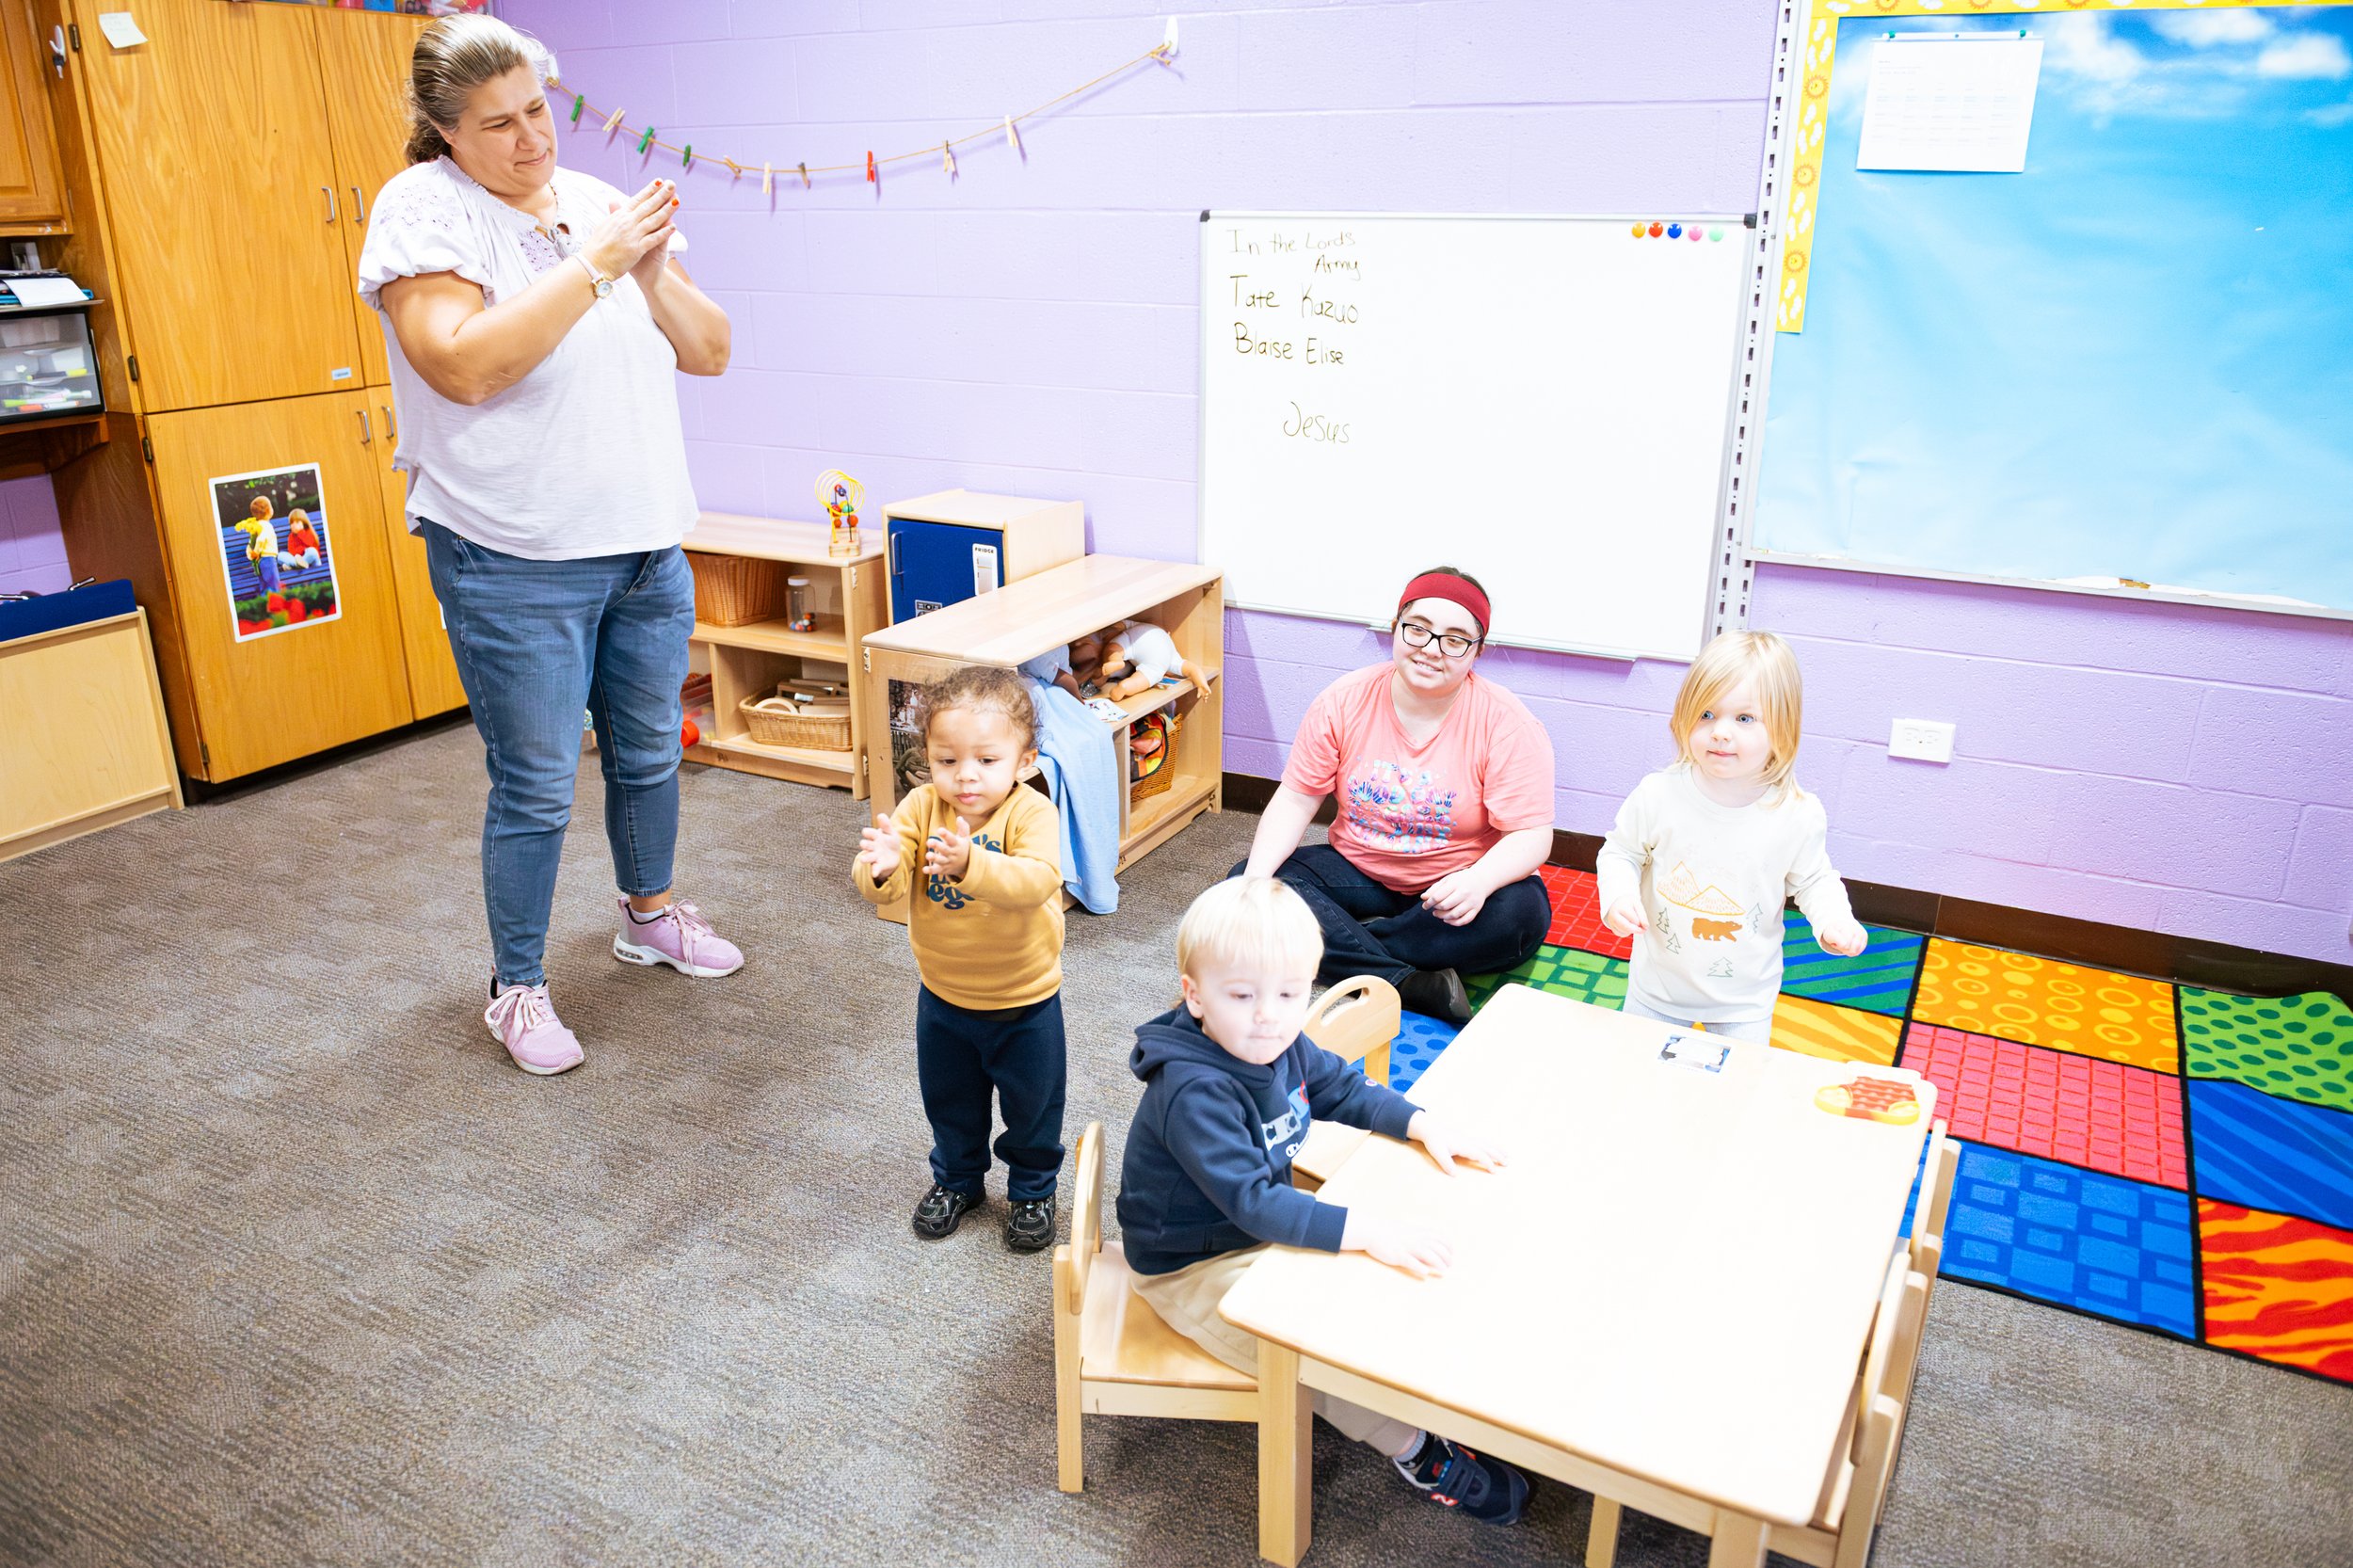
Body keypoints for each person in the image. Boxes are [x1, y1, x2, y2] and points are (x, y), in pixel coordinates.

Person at [357, 16, 740, 1077]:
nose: (532, 140)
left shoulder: (596, 202)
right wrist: (598, 264)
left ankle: (649, 915)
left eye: (539, 110)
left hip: (642, 541)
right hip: (512, 551)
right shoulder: (422, 210)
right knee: (533, 783)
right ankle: (515, 986)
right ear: (443, 131)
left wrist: (645, 266)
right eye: (499, 123)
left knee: (651, 751)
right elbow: (464, 367)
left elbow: (709, 351)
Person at [1118, 876, 1529, 1525]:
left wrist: (1423, 1124)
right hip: (1189, 1265)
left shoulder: (1279, 1039)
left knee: (1388, 1272)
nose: (1269, 1015)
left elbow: (1342, 1087)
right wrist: (1364, 1228)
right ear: (1195, 997)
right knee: (1310, 1352)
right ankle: (1416, 1449)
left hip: (1251, 1227)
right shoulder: (1194, 1090)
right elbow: (1255, 1204)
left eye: (1288, 994)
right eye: (1243, 995)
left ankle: (1424, 1394)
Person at [1239, 567, 1556, 1025]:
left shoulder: (1507, 722)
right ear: (1396, 628)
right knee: (1248, 882)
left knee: (1520, 918)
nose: (1431, 650)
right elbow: (1296, 798)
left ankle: (1337, 946)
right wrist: (1255, 881)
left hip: (1456, 882)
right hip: (1360, 869)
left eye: (1454, 639)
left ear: (1477, 651)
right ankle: (1408, 981)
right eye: (1418, 630)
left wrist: (1479, 881)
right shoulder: (1343, 700)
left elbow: (1530, 835)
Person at [855, 667, 1067, 1253]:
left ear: (1025, 760)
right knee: (949, 1103)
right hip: (944, 997)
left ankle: (1032, 1190)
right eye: (947, 761)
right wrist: (881, 865)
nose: (965, 776)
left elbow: (1037, 881)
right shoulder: (921, 809)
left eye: (987, 761)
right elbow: (886, 891)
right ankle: (958, 1180)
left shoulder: (1030, 814)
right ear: (928, 757)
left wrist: (971, 865)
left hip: (1026, 1001)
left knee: (1033, 1109)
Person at [1596, 630, 1867, 1044]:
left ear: (1781, 728)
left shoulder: (1797, 813)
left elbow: (1814, 880)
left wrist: (1834, 920)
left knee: (1736, 1093)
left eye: (1744, 719)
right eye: (1706, 715)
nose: (1721, 732)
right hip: (1658, 990)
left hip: (1745, 1000)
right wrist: (1618, 895)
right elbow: (1620, 852)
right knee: (1637, 1082)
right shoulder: (1658, 794)